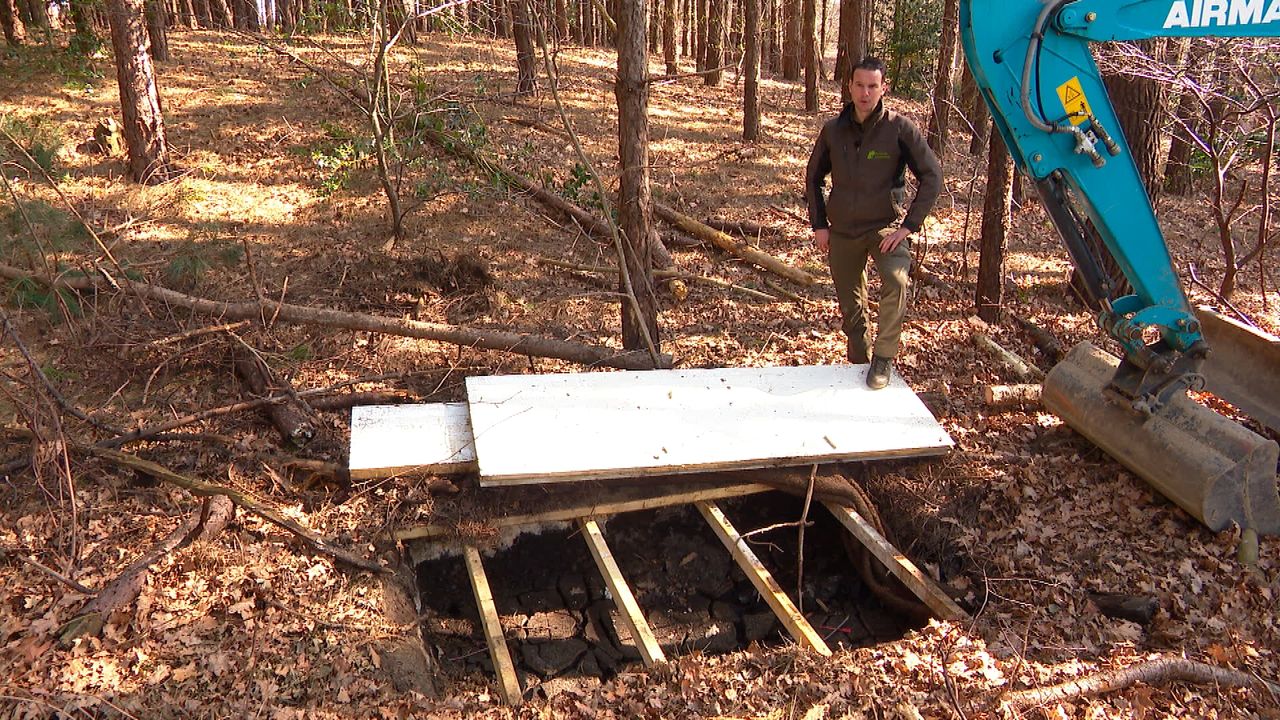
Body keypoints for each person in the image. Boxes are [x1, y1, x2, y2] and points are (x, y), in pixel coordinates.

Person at [805, 56, 942, 389]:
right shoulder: (833, 130)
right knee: (851, 307)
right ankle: (860, 361)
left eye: (872, 86)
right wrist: (820, 224)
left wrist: (909, 226)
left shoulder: (899, 129)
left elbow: (932, 174)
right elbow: (813, 178)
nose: (865, 93)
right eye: (859, 85)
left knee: (896, 281)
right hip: (842, 231)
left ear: (883, 88)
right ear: (849, 86)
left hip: (883, 229)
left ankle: (883, 358)